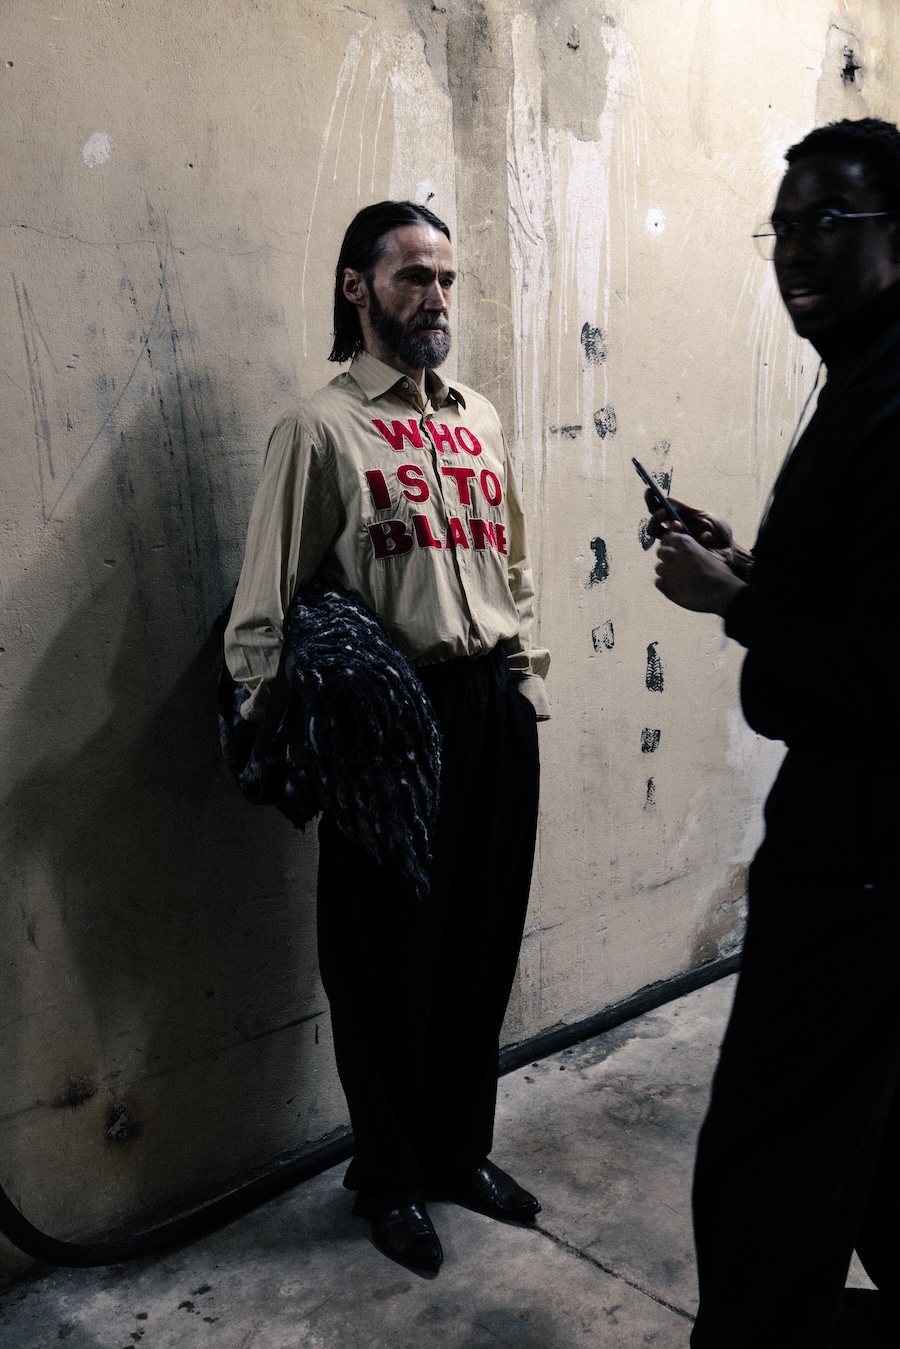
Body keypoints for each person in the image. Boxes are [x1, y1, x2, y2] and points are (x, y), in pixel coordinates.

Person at [225, 200, 549, 1274]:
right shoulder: (319, 430)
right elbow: (263, 608)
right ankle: (393, 1176)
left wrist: (523, 689)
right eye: (414, 274)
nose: (437, 296)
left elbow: (512, 561)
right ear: (357, 287)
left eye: (447, 277)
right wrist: (276, 742)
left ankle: (459, 1152)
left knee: (479, 947)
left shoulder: (477, 416)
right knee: (383, 964)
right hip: (387, 729)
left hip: (491, 709)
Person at [649, 117, 900, 1348]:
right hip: (864, 832)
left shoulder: (893, 400)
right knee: (868, 1119)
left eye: (828, 222)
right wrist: (748, 568)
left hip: (862, 844)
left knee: (771, 1142)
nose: (795, 250)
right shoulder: (864, 374)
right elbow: (865, 599)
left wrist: (735, 605)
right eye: (783, 227)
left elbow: (886, 673)